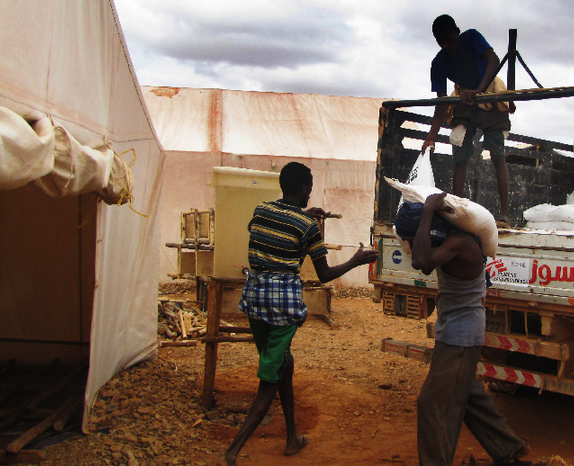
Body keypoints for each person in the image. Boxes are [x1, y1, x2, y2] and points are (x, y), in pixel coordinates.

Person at [218, 162, 379, 466]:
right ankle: (232, 451)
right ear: (304, 188)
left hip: (254, 301)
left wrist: (303, 215)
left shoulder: (261, 210)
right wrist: (357, 260)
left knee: (283, 365)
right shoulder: (308, 229)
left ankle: (292, 438)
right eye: (310, 187)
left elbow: (279, 224)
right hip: (281, 308)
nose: (310, 193)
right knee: (271, 378)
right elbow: (325, 274)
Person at [394, 193, 532, 466]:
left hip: (460, 338)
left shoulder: (461, 243)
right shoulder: (450, 242)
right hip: (456, 333)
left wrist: (427, 212)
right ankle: (509, 451)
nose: (410, 245)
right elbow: (423, 262)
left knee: (432, 404)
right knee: (469, 396)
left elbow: (420, 261)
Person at [422, 14, 514, 228]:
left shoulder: (472, 37)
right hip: (465, 96)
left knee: (497, 153)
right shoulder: (439, 62)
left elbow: (493, 60)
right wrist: (431, 137)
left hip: (490, 91)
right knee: (460, 147)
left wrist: (479, 90)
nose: (446, 45)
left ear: (457, 32)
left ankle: (504, 214)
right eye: (441, 42)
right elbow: (441, 102)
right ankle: (457, 210)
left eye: (449, 39)